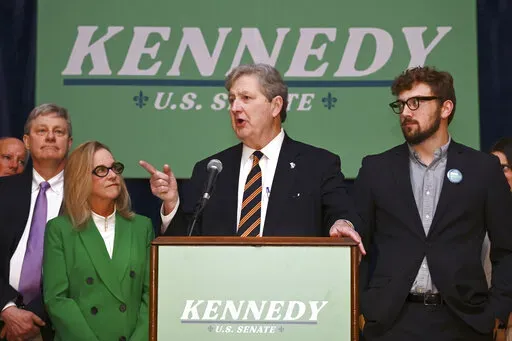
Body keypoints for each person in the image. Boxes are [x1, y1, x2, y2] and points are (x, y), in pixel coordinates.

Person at [355, 66, 512, 341]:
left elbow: (507, 249)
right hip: (391, 323)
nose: (405, 112)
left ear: (445, 107)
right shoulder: (375, 168)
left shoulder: (483, 169)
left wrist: (496, 312)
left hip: (464, 322)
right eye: (401, 104)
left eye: (416, 102)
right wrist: (361, 307)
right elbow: (357, 248)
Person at [140, 63, 364, 252]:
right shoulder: (211, 170)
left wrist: (342, 224)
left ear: (275, 106)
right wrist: (171, 203)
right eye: (231, 99)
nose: (235, 107)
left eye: (246, 98)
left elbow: (340, 212)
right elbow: (184, 243)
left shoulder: (318, 165)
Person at [43, 141, 153, 341]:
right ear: (80, 177)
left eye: (115, 168)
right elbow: (57, 300)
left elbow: (151, 296)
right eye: (101, 170)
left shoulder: (141, 227)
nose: (113, 175)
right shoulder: (59, 230)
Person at [0, 103, 73, 341]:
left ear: (69, 143)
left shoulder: (85, 196)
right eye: (42, 131)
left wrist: (32, 317)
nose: (50, 137)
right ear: (27, 141)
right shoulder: (3, 190)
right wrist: (8, 310)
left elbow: (83, 267)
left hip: (56, 327)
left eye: (59, 132)